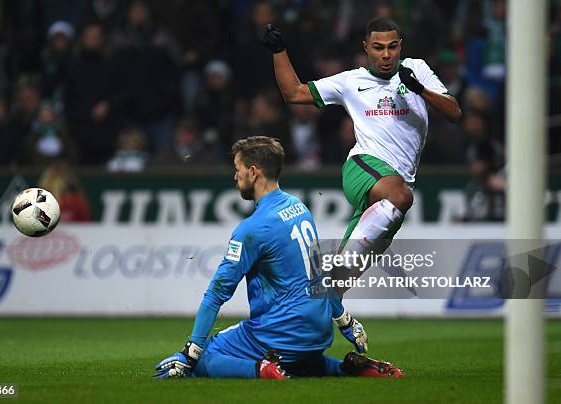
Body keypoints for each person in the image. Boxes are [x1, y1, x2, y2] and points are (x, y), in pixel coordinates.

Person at [154, 136, 402, 379]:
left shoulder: (252, 229)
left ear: (253, 172)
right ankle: (344, 368)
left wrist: (190, 352)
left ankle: (262, 370)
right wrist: (344, 321)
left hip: (281, 334)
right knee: (297, 360)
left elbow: (217, 292)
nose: (235, 176)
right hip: (318, 332)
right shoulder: (300, 209)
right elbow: (319, 276)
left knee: (204, 357)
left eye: (237, 169)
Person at [260, 17, 461, 269]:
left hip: (396, 188)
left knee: (342, 279)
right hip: (364, 167)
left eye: (392, 47)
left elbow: (454, 113)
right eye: (378, 47)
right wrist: (279, 52)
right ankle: (339, 263)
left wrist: (420, 89)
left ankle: (324, 296)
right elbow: (294, 93)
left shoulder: (416, 69)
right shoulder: (350, 82)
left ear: (401, 46)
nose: (386, 54)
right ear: (366, 48)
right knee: (400, 196)